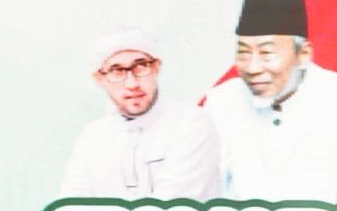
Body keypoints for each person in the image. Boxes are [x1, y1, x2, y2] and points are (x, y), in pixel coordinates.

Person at [203, 0, 337, 201]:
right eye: (244, 53)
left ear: (303, 54)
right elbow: (210, 183)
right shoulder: (223, 100)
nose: (252, 68)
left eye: (267, 53)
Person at [59, 27, 222, 199]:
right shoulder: (92, 137)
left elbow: (174, 203)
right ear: (100, 79)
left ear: (156, 67)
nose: (132, 84)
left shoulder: (190, 122)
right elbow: (72, 203)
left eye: (141, 66)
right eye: (116, 70)